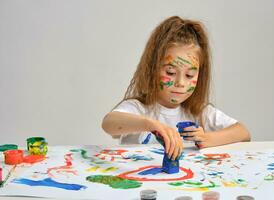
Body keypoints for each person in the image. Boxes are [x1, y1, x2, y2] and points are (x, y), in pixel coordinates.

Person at [102, 16, 250, 161]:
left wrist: (207, 138)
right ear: (152, 68)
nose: (180, 83)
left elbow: (243, 132)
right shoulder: (139, 108)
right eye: (170, 72)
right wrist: (151, 125)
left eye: (189, 75)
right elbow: (109, 124)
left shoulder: (199, 112)